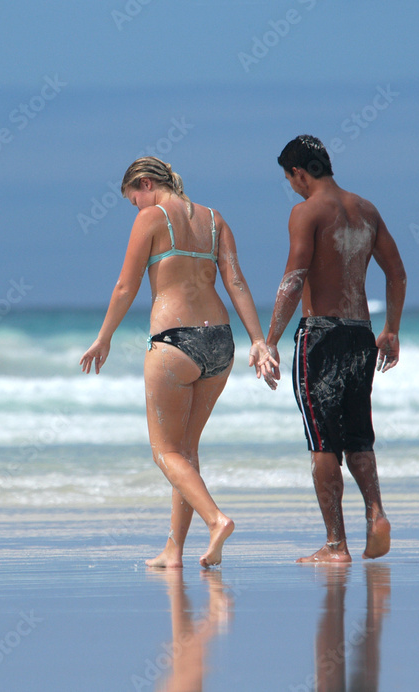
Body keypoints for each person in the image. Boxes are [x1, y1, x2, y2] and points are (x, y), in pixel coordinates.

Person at [80, 156, 275, 568]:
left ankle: (216, 519)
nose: (137, 208)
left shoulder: (151, 218)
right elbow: (236, 280)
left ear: (146, 184)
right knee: (185, 451)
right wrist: (258, 339)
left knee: (165, 452)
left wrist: (103, 337)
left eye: (134, 200)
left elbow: (124, 285)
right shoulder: (215, 219)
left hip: (175, 342)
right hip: (220, 342)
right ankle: (174, 549)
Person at [264, 135, 406, 563]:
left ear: (299, 173)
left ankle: (335, 545)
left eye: (290, 179)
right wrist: (392, 330)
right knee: (359, 436)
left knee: (323, 443)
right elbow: (397, 275)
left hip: (320, 336)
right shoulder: (365, 209)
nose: (292, 186)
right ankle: (376, 513)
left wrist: (269, 339)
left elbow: (294, 277)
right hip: (361, 334)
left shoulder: (306, 212)